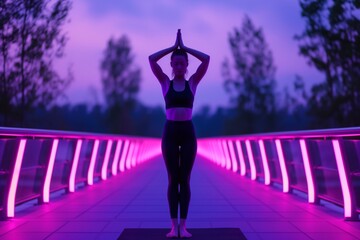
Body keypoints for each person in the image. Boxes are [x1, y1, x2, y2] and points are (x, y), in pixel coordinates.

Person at [149, 29, 210, 238]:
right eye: (175, 63)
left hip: (188, 132)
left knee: (185, 179)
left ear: (186, 66)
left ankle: (183, 226)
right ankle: (173, 226)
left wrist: (184, 48)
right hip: (170, 132)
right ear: (172, 66)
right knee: (172, 179)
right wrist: (172, 47)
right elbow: (151, 60)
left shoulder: (192, 83)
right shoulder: (165, 83)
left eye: (182, 63)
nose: (179, 66)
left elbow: (206, 60)